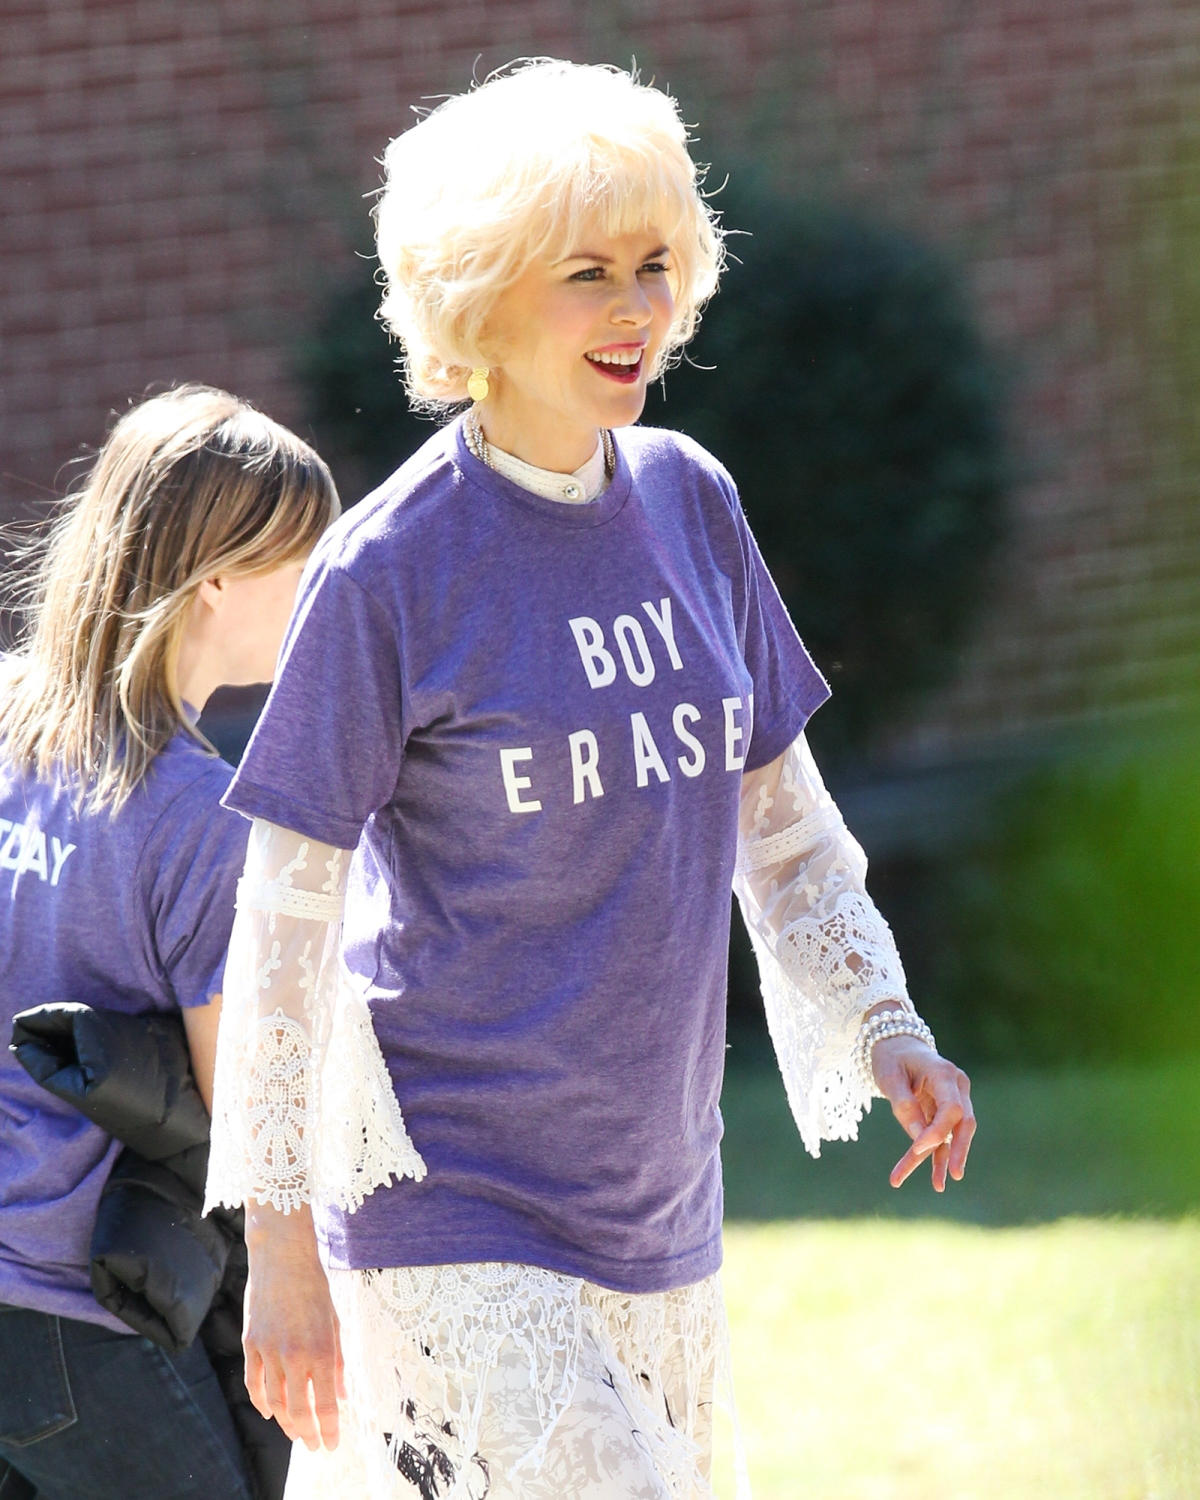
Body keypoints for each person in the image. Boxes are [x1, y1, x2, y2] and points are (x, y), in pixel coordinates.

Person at [204, 60, 977, 1500]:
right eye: (586, 274)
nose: (637, 308)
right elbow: (284, 930)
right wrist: (280, 1249)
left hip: (658, 1205)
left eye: (654, 266)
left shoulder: (695, 502)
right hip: (451, 1206)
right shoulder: (390, 568)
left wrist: (885, 1021)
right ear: (479, 301)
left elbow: (787, 834)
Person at [0, 385, 339, 1499]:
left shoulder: (10, 723)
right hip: (63, 1311)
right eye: (305, 561)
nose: (322, 593)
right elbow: (246, 1118)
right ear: (217, 581)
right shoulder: (199, 812)